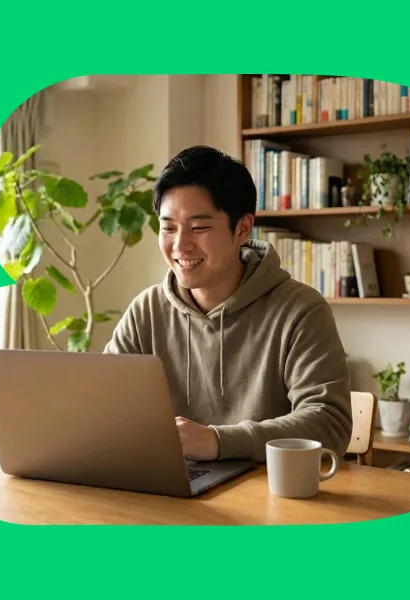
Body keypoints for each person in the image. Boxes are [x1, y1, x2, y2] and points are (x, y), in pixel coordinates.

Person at [103, 145, 353, 463]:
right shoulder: (146, 311)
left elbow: (329, 423)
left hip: (269, 495)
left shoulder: (299, 310)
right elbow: (105, 409)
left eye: (199, 227)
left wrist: (220, 441)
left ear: (243, 228)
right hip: (171, 489)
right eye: (168, 228)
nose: (180, 245)